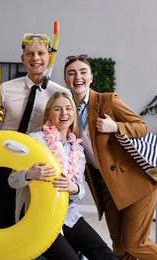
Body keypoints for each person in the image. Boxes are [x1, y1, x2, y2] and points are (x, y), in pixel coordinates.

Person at [64, 54, 157, 260]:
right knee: (120, 247)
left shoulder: (107, 101)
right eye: (71, 73)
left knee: (135, 242)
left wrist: (116, 127)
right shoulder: (68, 111)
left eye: (83, 72)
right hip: (105, 186)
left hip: (134, 180)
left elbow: (142, 127)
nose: (78, 77)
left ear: (91, 77)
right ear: (66, 79)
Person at [0, 33, 71, 229]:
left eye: (41, 53)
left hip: (38, 167)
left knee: (32, 223)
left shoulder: (60, 94)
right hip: (3, 161)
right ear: (23, 59)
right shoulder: (4, 89)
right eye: (30, 54)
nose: (35, 58)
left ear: (48, 58)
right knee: (3, 221)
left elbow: (66, 132)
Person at [8, 92, 119, 260]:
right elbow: (12, 180)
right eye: (57, 109)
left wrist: (73, 187)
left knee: (105, 255)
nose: (64, 114)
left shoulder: (77, 148)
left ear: (74, 113)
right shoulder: (35, 141)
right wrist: (29, 174)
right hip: (39, 218)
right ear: (48, 114)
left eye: (68, 109)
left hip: (68, 213)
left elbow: (80, 191)